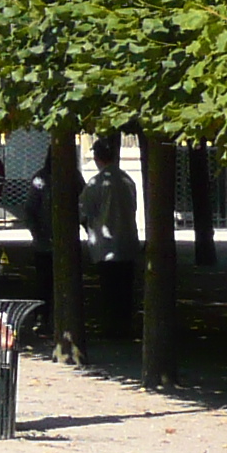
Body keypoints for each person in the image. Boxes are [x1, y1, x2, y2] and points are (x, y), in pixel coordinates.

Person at [84, 136, 140, 338]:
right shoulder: (128, 180)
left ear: (97, 158)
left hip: (105, 246)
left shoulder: (95, 183)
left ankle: (111, 329)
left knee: (109, 290)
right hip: (127, 243)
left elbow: (84, 211)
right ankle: (125, 326)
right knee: (126, 289)